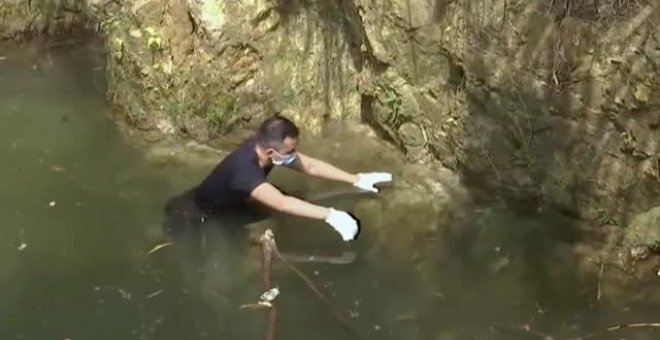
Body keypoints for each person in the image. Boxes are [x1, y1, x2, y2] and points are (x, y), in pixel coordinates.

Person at [163, 114, 393, 243]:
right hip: (193, 215)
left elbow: (310, 165)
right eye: (290, 151)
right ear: (271, 152)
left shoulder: (265, 149)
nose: (294, 156)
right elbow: (283, 204)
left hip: (231, 202)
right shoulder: (246, 172)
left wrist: (355, 179)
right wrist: (332, 216)